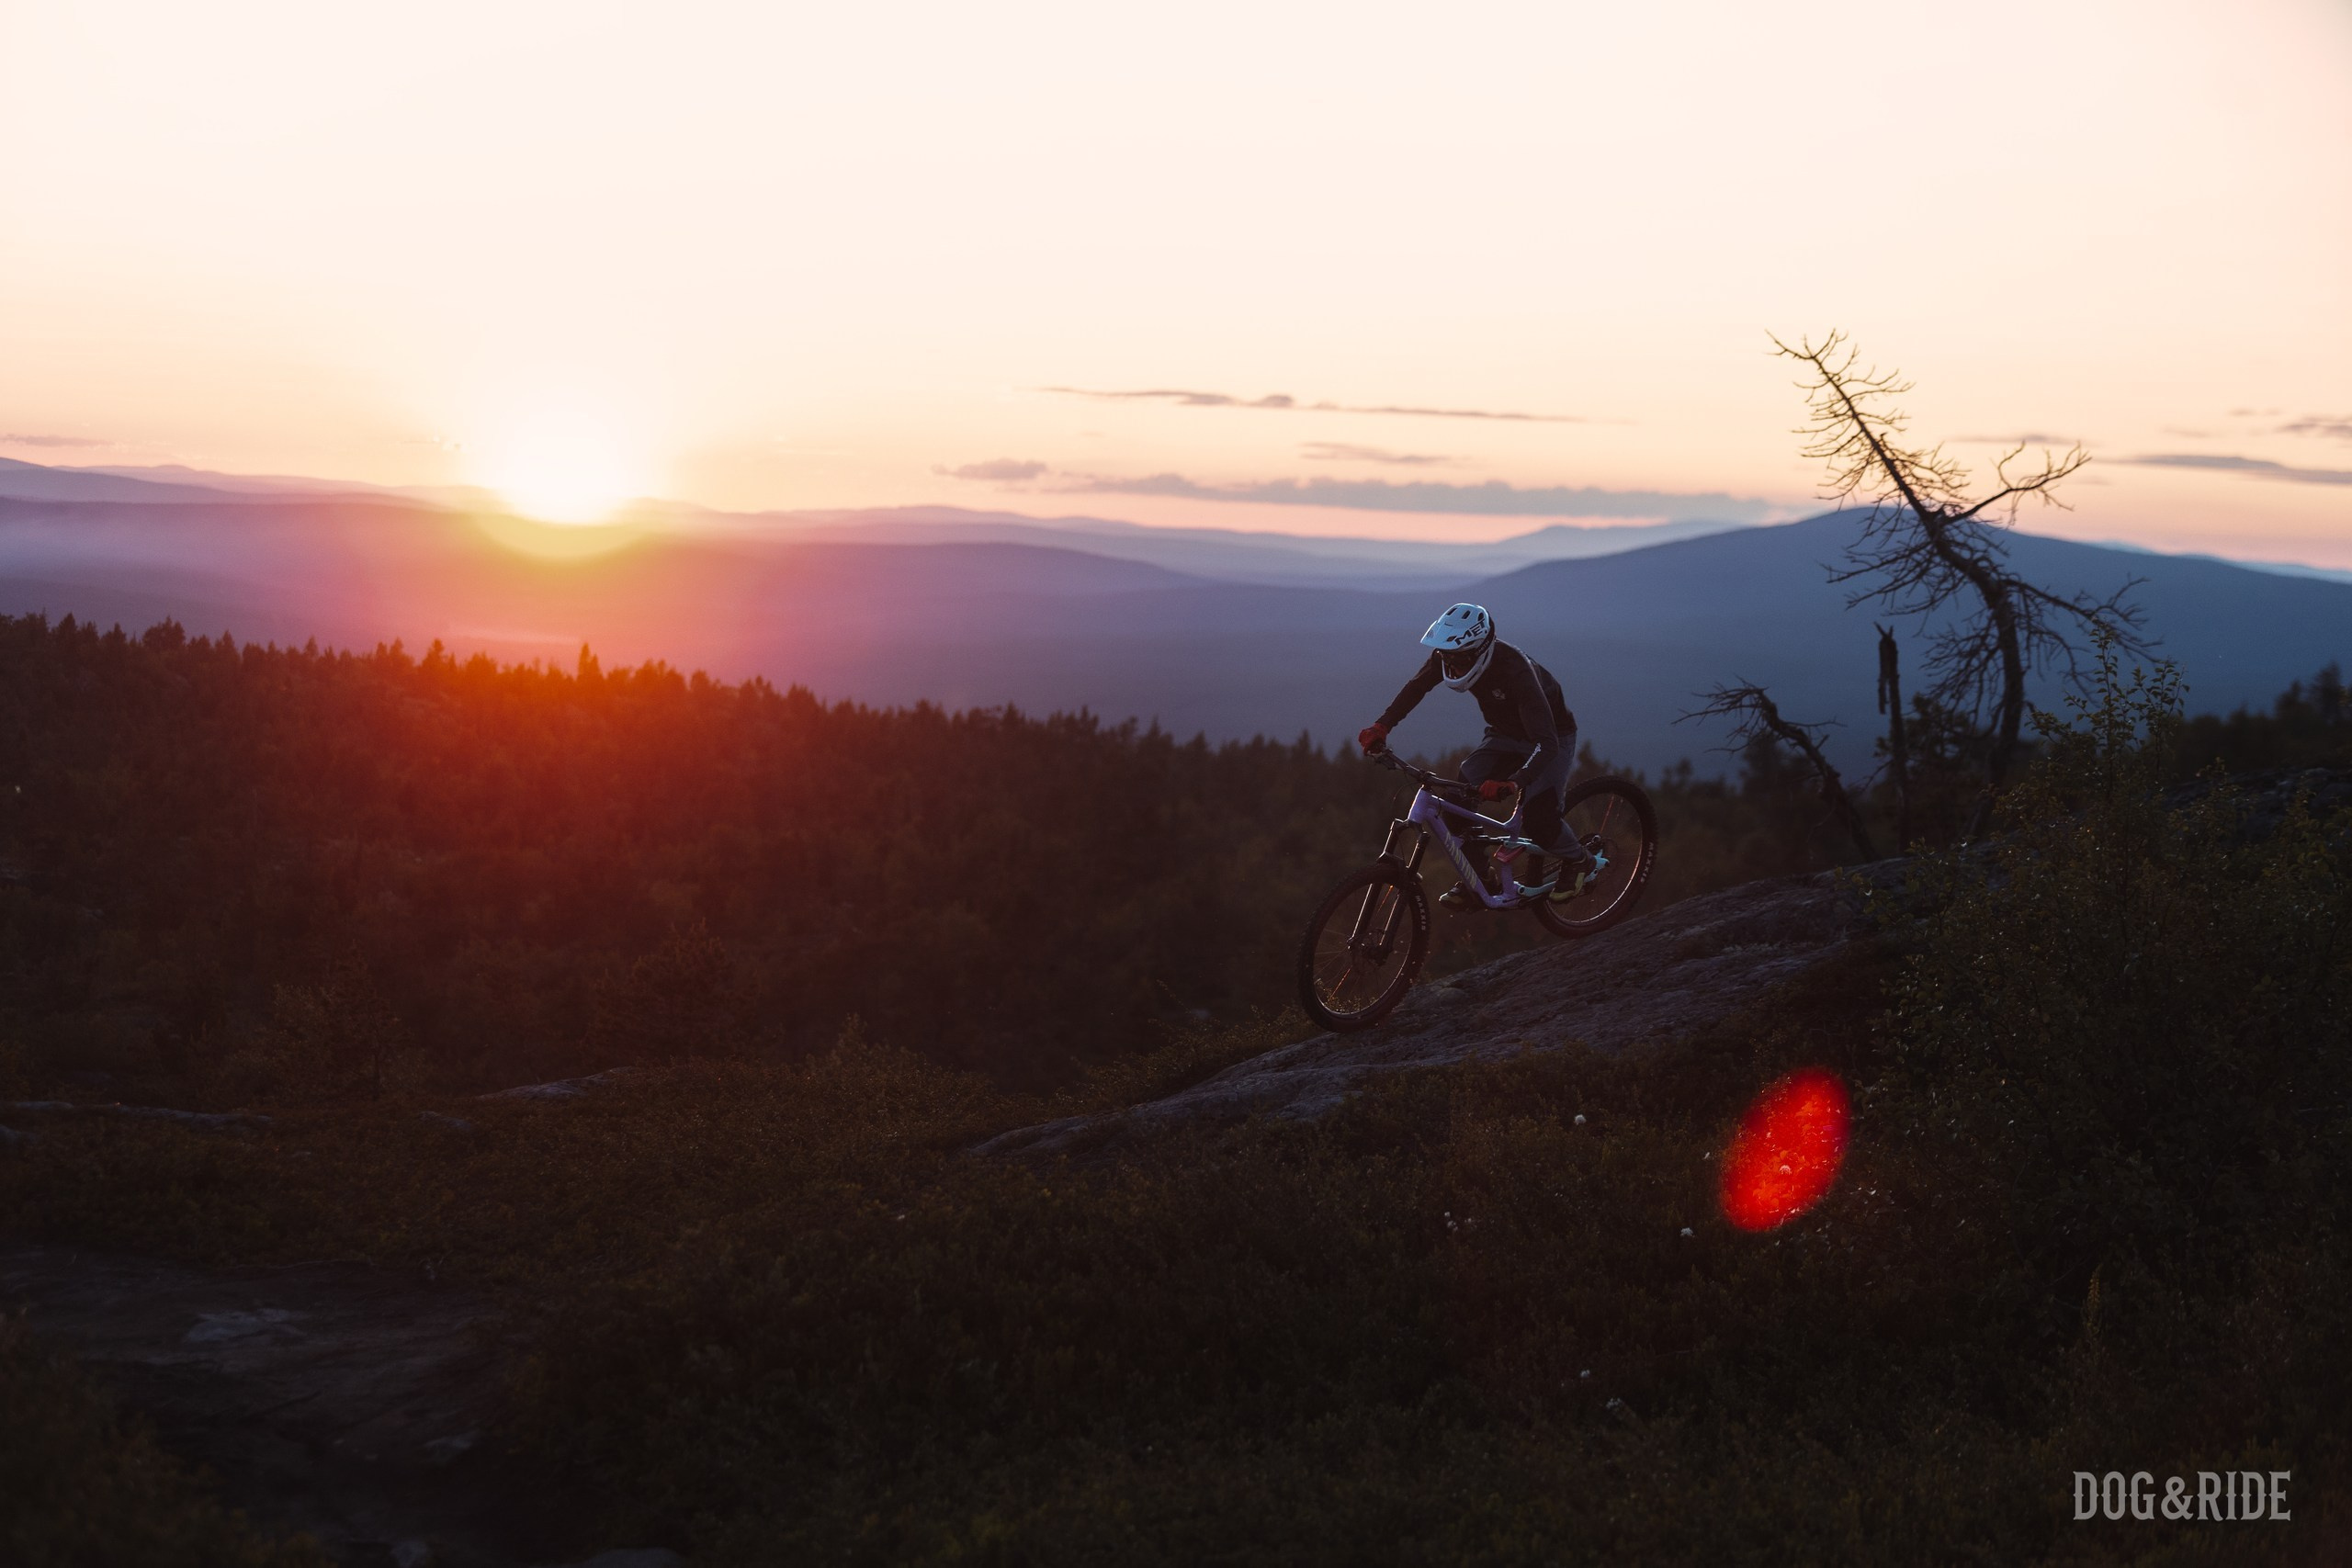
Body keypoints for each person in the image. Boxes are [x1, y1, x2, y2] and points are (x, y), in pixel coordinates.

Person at [1356, 604, 1597, 907]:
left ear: (1478, 650)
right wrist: (1382, 725)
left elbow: (1547, 744)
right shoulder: (1447, 655)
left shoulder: (1516, 672)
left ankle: (1580, 861)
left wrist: (1514, 783)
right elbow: (1416, 687)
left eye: (1457, 658)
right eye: (1446, 656)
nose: (1450, 665)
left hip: (1551, 738)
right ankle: (1481, 878)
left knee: (1539, 818)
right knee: (1455, 805)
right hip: (1503, 734)